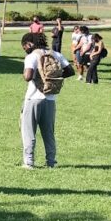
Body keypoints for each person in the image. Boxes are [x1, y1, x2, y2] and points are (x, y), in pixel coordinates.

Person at [20, 32, 73, 169]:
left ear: (30, 44)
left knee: (29, 131)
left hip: (33, 98)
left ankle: (29, 162)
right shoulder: (56, 54)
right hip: (50, 99)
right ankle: (51, 161)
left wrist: (38, 78)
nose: (24, 49)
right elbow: (70, 71)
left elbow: (28, 76)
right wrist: (53, 79)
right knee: (48, 132)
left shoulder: (32, 56)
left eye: (24, 46)